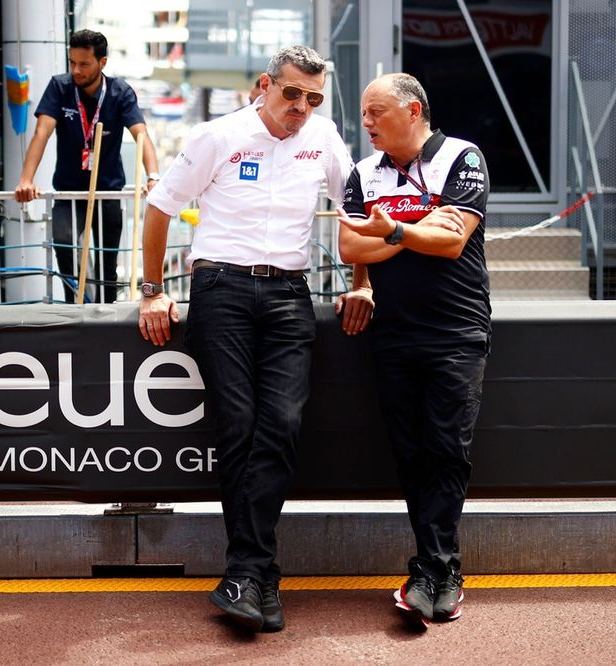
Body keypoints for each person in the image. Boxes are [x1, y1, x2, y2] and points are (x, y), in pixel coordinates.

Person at [138, 45, 374, 632]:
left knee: (283, 425)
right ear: (265, 84)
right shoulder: (218, 136)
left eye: (313, 98)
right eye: (291, 93)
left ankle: (249, 572)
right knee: (238, 426)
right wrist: (151, 289)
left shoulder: (324, 138)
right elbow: (161, 206)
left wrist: (361, 283)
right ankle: (256, 573)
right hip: (221, 291)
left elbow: (355, 209)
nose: (300, 107)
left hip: (291, 297)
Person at [336, 73, 490, 630]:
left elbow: (453, 243)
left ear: (414, 110)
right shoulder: (361, 172)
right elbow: (350, 244)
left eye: (377, 112)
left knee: (447, 450)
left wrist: (393, 231)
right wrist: (416, 227)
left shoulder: (461, 156)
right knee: (411, 454)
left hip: (456, 330)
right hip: (393, 331)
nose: (367, 122)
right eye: (364, 113)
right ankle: (432, 572)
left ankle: (438, 572)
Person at [15, 29, 160, 304]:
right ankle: (75, 307)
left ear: (102, 62)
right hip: (69, 192)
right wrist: (26, 179)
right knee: (63, 242)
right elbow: (41, 134)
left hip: (107, 191)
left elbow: (141, 135)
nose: (76, 70)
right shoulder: (60, 87)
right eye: (72, 63)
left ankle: (105, 313)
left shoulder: (119, 92)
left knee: (107, 262)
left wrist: (153, 177)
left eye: (84, 64)